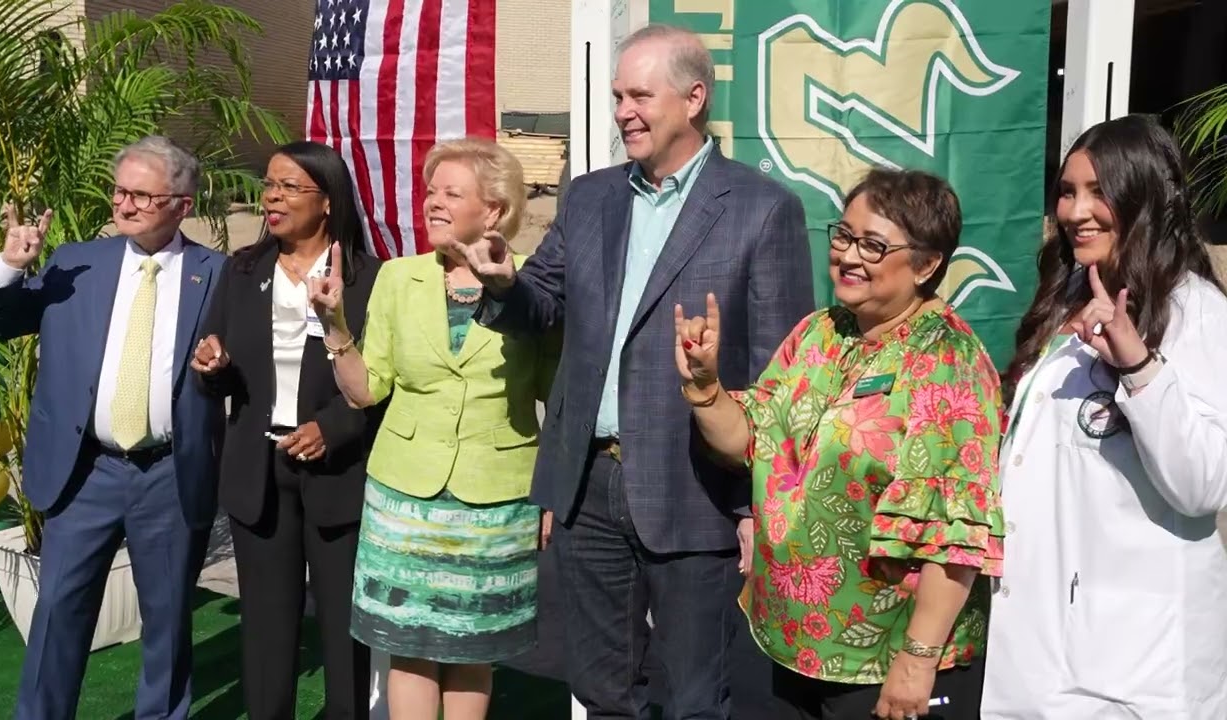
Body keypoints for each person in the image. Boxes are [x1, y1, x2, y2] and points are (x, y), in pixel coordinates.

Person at [452, 24, 811, 719]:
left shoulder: (763, 211)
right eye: (618, 95)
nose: (623, 112)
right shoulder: (590, 198)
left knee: (691, 697)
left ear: (694, 97)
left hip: (696, 488)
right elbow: (542, 305)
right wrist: (502, 283)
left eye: (640, 95)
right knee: (603, 688)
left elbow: (779, 377)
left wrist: (751, 505)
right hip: (589, 486)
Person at [674, 168, 1005, 720]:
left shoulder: (947, 362)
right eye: (844, 236)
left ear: (927, 264)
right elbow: (752, 443)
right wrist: (704, 388)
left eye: (874, 245)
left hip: (881, 660)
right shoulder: (819, 332)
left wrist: (918, 659)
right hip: (781, 638)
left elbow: (956, 533)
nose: (850, 255)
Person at [0, 136, 225, 720]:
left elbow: (243, 365)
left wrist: (224, 368)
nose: (124, 204)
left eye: (141, 194)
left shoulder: (218, 274)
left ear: (182, 205)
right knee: (58, 607)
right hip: (85, 471)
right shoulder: (74, 262)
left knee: (166, 617)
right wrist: (12, 265)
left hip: (170, 471)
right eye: (120, 190)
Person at [982, 116, 1227, 719]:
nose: (1076, 211)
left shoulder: (1193, 310)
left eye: (1099, 192)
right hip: (1045, 658)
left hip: (1133, 672)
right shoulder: (1069, 304)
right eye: (1068, 191)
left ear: (1144, 200)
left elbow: (1203, 484)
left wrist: (1139, 367)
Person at [308, 137, 558, 720]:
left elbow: (559, 394)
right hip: (404, 499)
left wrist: (552, 491)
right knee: (409, 649)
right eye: (430, 191)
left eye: (452, 193)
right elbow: (368, 388)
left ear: (493, 210)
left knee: (472, 652)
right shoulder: (398, 277)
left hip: (496, 499)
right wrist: (335, 325)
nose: (433, 203)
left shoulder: (536, 285)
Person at [189, 141, 383, 719]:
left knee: (345, 629)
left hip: (338, 473)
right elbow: (214, 368)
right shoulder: (242, 270)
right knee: (267, 629)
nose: (271, 198)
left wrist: (335, 428)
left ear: (327, 202)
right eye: (268, 185)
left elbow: (388, 379)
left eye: (288, 187)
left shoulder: (371, 278)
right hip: (260, 471)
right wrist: (212, 366)